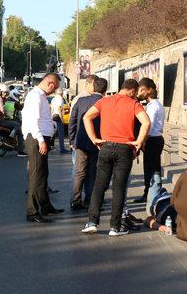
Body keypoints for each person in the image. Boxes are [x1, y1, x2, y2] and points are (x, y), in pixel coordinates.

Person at [81, 79, 151, 237]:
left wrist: (94, 138)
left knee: (99, 186)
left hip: (105, 146)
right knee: (119, 188)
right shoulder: (133, 104)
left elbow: (87, 117)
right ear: (132, 91)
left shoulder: (104, 101)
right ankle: (115, 227)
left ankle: (92, 222)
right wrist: (139, 142)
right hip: (124, 149)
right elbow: (146, 123)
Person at [23, 73, 64, 223]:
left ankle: (46, 206)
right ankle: (32, 212)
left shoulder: (40, 96)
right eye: (55, 88)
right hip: (36, 139)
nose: (54, 91)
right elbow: (33, 121)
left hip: (39, 138)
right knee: (36, 176)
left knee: (43, 174)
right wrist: (41, 140)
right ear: (50, 84)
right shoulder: (35, 96)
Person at [69, 77, 107, 211]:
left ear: (93, 87)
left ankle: (75, 200)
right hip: (97, 142)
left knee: (79, 173)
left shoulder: (81, 101)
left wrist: (72, 140)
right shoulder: (105, 103)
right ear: (105, 90)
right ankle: (91, 201)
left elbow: (72, 121)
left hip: (81, 142)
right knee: (93, 172)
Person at [133, 77, 165, 204]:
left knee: (151, 169)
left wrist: (142, 141)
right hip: (156, 139)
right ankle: (152, 193)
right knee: (153, 168)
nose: (139, 93)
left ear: (150, 90)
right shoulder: (156, 105)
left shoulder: (152, 107)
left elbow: (148, 126)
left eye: (142, 90)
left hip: (152, 140)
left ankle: (151, 195)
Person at [0, 84, 27, 157]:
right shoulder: (1, 99)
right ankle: (13, 140)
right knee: (18, 126)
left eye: (6, 92)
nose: (5, 94)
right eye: (4, 92)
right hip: (2, 120)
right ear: (0, 92)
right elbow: (2, 110)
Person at [50, 88, 67, 154]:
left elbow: (51, 108)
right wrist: (61, 117)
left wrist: (51, 116)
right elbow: (59, 108)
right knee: (61, 133)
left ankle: (50, 145)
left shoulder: (53, 99)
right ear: (62, 93)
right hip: (58, 117)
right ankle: (62, 148)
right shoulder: (60, 98)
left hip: (53, 116)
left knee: (53, 132)